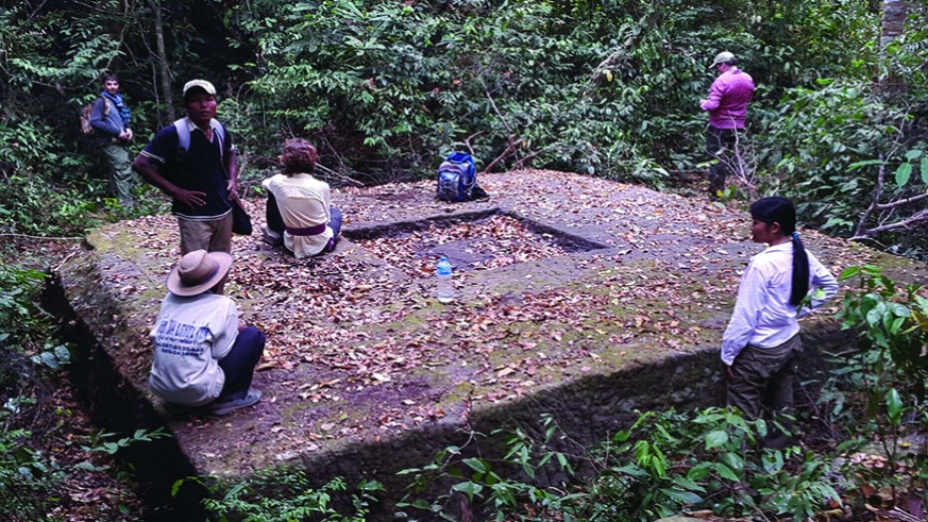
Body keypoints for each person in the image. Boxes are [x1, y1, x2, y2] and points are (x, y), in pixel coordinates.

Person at [721, 197, 838, 447]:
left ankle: (737, 474)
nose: (751, 228)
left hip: (759, 351)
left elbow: (746, 316)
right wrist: (794, 313)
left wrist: (728, 355)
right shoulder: (801, 254)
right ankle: (778, 457)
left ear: (774, 227)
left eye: (755, 223)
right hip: (788, 342)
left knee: (741, 414)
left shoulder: (762, 264)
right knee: (783, 405)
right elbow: (828, 285)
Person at [149, 249, 264, 415]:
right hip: (200, 392)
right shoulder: (222, 305)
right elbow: (220, 352)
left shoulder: (169, 300)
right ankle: (227, 397)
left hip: (161, 387)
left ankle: (176, 400)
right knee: (253, 335)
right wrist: (231, 330)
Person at [132, 80, 239, 254]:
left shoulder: (219, 128)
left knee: (221, 263)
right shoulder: (173, 133)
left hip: (223, 209)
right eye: (196, 100)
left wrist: (232, 179)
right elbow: (141, 164)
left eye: (208, 99)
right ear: (186, 106)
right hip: (193, 215)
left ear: (215, 103)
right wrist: (176, 191)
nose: (203, 105)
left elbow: (230, 153)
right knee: (196, 269)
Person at [260, 139, 343, 258]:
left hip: (289, 243)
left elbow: (265, 184)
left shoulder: (276, 182)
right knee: (335, 213)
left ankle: (274, 229)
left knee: (273, 194)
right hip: (319, 244)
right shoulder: (321, 186)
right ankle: (332, 239)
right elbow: (327, 220)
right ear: (312, 162)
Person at [699, 51, 755, 199]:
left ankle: (716, 195)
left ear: (723, 65)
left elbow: (713, 105)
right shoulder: (747, 78)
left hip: (719, 126)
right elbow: (748, 99)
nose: (718, 70)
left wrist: (704, 104)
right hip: (738, 125)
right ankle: (749, 190)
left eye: (718, 67)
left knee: (717, 160)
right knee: (737, 157)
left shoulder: (722, 81)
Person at [89, 73, 137, 208]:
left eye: (115, 84)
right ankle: (127, 208)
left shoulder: (117, 100)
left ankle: (116, 205)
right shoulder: (101, 101)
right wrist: (117, 132)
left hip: (121, 141)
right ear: (103, 85)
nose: (112, 87)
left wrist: (127, 129)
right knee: (123, 170)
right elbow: (95, 121)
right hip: (111, 141)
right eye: (109, 84)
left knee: (118, 171)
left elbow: (122, 119)